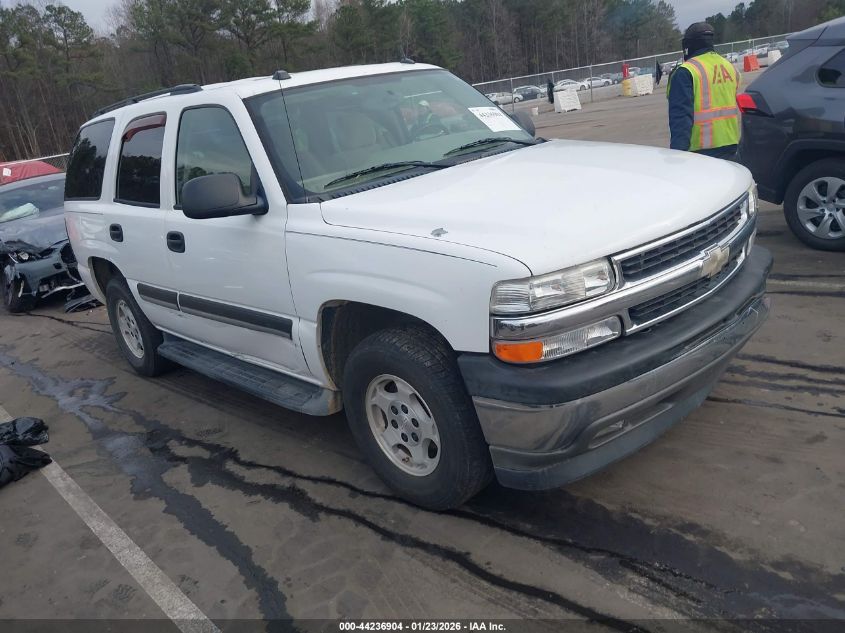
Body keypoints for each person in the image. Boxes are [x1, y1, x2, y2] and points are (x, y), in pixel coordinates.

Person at [667, 22, 741, 161]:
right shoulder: (730, 67)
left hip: (701, 151)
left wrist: (677, 155)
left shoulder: (686, 71)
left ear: (688, 44)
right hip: (731, 145)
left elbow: (681, 117)